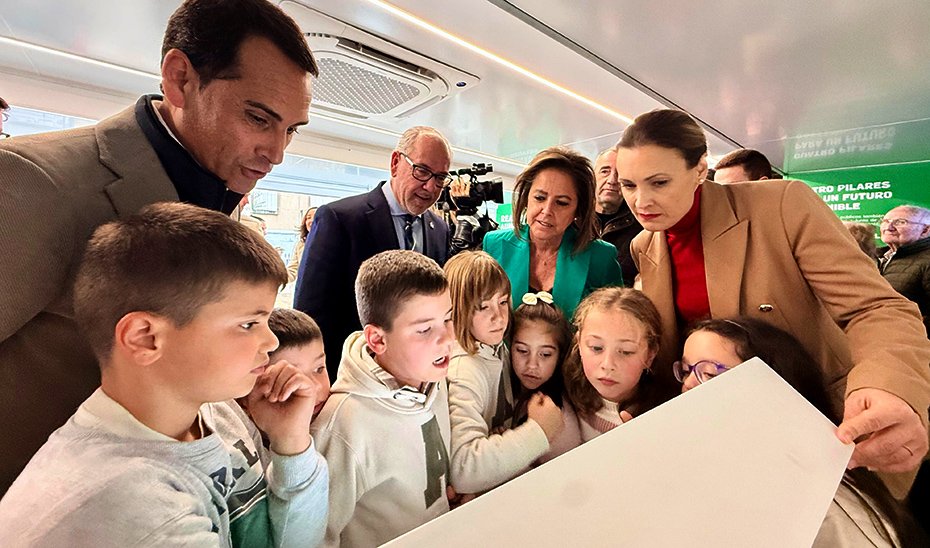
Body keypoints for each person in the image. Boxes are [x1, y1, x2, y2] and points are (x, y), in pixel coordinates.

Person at [0, 0, 318, 494]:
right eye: (259, 119)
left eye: (290, 131)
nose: (276, 153)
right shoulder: (38, 181)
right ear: (179, 79)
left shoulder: (221, 193)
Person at [618, 109, 930, 498]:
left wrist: (890, 387)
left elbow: (877, 309)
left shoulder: (781, 205)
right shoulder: (645, 244)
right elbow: (674, 352)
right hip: (725, 441)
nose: (640, 200)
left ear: (700, 170)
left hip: (821, 425)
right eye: (628, 185)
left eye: (659, 182)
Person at [0, 203, 329, 546]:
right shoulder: (131, 510)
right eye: (248, 324)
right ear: (145, 337)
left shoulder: (215, 411)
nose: (271, 341)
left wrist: (291, 443)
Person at [676, 317, 927, 548]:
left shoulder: (824, 497)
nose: (688, 384)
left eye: (708, 373)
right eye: (686, 371)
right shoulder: (725, 464)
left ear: (773, 383)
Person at [312, 250, 454, 547]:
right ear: (377, 339)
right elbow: (318, 535)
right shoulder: (345, 426)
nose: (447, 338)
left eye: (449, 319)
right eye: (425, 329)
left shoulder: (433, 380)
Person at [294, 126, 452, 382]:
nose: (430, 186)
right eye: (422, 171)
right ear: (395, 163)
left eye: (440, 178)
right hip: (351, 380)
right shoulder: (340, 219)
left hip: (414, 383)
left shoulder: (439, 229)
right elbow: (309, 315)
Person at [445, 251, 561, 495]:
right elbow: (464, 469)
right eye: (483, 306)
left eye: (502, 301)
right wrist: (538, 432)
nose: (498, 317)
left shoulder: (496, 346)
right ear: (456, 310)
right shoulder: (463, 369)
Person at [483, 146, 624, 321]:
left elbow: (615, 324)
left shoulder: (600, 257)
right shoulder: (494, 245)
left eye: (562, 203)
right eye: (540, 198)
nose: (547, 210)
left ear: (578, 210)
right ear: (526, 197)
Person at [563, 287, 666, 442]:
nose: (608, 364)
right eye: (596, 348)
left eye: (625, 351)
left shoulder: (662, 416)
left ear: (650, 355)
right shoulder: (562, 393)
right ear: (579, 345)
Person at [510, 292, 581, 463]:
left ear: (560, 355)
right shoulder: (506, 390)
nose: (532, 364)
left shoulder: (559, 417)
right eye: (522, 351)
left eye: (545, 354)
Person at [593, 147, 643, 287]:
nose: (612, 180)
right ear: (592, 176)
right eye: (605, 171)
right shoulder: (572, 219)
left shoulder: (643, 228)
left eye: (620, 173)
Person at [878, 205, 930, 333]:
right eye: (885, 221)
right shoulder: (877, 257)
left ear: (925, 230)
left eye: (900, 222)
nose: (888, 227)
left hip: (912, 344)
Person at [287, 206, 317, 283]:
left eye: (316, 217)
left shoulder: (332, 243)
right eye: (308, 217)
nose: (311, 220)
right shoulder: (301, 244)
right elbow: (293, 270)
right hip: (304, 290)